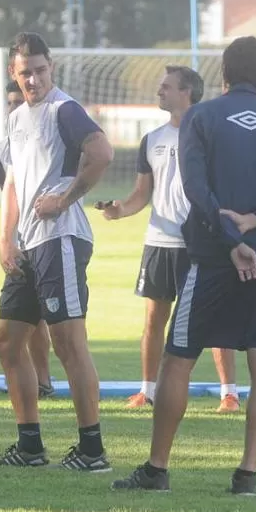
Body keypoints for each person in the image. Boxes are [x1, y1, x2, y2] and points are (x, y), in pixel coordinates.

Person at [112, 36, 256, 495]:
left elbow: (196, 189)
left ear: (223, 73)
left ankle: (157, 469)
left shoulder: (202, 118)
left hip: (212, 257)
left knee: (179, 357)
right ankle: (247, 475)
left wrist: (230, 240)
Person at [0, 32, 115, 471]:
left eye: (40, 71)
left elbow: (101, 152)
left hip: (61, 239)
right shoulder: (15, 119)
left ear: (51, 68)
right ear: (13, 72)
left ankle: (92, 450)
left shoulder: (65, 110)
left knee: (68, 344)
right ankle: (29, 446)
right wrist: (6, 236)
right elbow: (10, 183)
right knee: (7, 343)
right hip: (27, 245)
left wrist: (65, 199)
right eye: (26, 73)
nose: (34, 80)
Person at [97, 66, 239, 413]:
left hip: (199, 244)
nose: (159, 92)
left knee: (214, 320)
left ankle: (230, 394)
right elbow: (140, 194)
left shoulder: (211, 136)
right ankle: (147, 391)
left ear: (186, 92)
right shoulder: (152, 139)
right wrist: (120, 210)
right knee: (153, 319)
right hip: (159, 243)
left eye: (166, 87)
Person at [0, 79, 54, 399]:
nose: (16, 107)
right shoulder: (4, 145)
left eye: (19, 101)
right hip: (17, 240)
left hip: (46, 236)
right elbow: (6, 191)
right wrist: (5, 238)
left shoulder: (47, 132)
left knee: (42, 319)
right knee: (22, 318)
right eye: (11, 102)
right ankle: (28, 382)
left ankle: (43, 379)